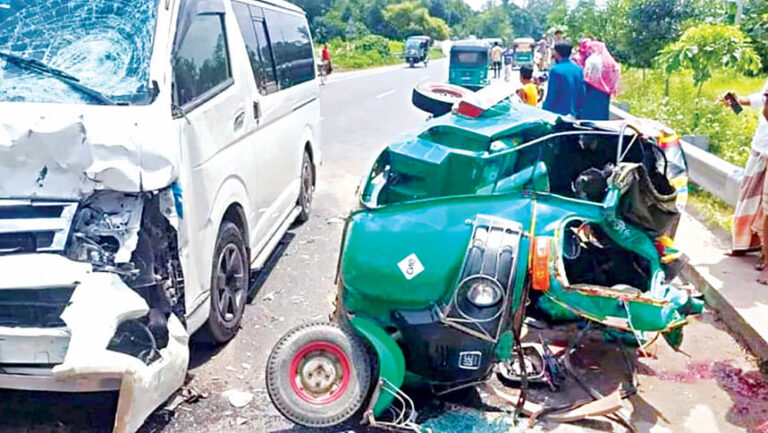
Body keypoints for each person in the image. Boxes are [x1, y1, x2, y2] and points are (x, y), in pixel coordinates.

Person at [725, 79, 768, 283]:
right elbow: (764, 99)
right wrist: (741, 100)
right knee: (750, 198)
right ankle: (748, 244)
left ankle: (766, 261)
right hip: (761, 146)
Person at [574, 38, 620, 120]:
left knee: (587, 120)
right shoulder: (612, 63)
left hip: (590, 94)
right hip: (604, 96)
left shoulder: (594, 61)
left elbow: (586, 78)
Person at [542, 40, 585, 118]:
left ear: (557, 53)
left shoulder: (555, 70)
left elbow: (551, 96)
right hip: (574, 115)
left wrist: (544, 113)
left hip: (558, 116)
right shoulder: (578, 70)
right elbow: (582, 94)